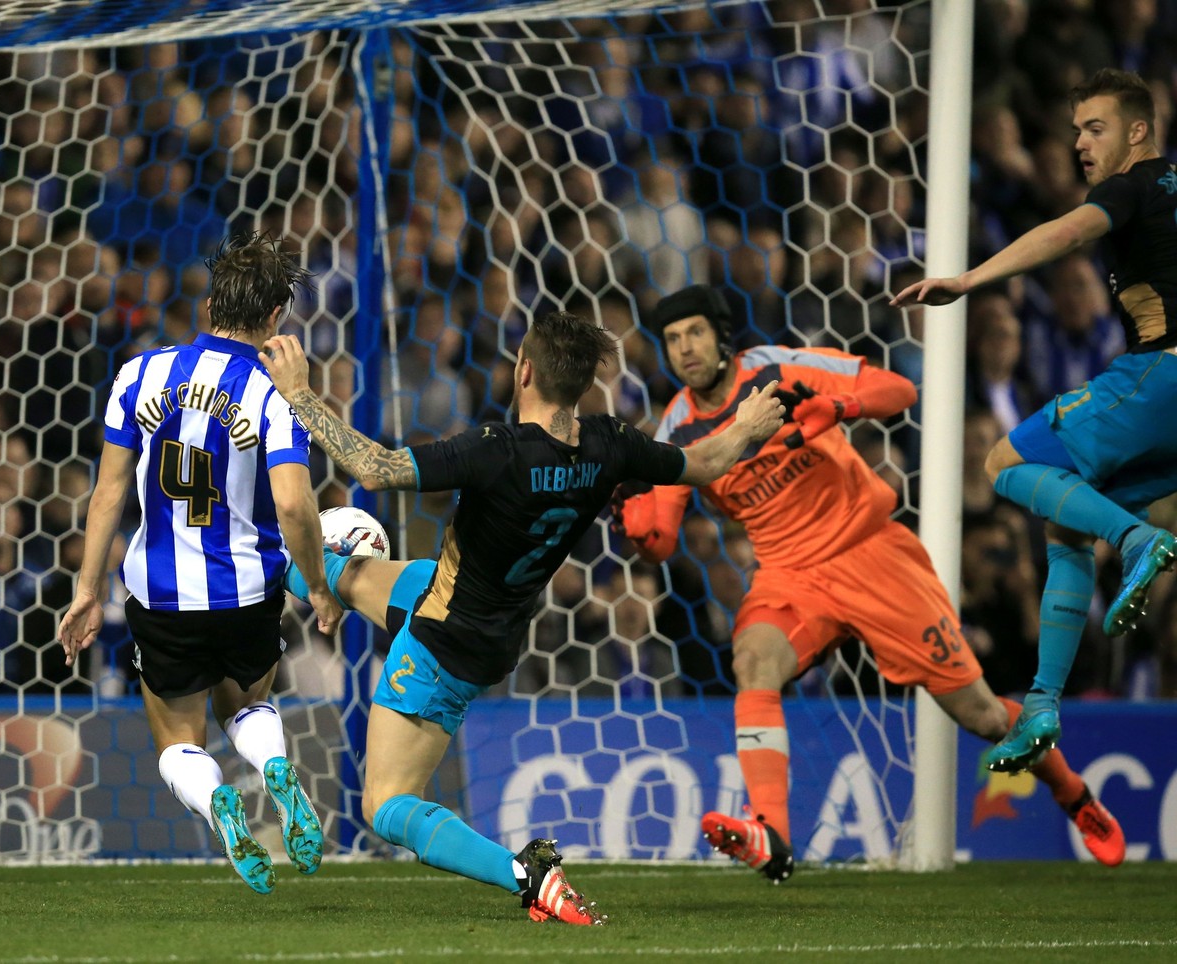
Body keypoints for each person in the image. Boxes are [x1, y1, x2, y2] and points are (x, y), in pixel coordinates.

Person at [260, 310, 786, 925]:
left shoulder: (497, 451)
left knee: (386, 803)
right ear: (584, 383)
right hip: (481, 616)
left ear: (525, 369)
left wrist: (298, 395)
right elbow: (702, 463)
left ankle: (527, 875)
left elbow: (374, 468)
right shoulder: (609, 443)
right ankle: (303, 587)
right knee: (333, 573)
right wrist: (747, 424)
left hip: (443, 642)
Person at [613, 285, 1125, 880]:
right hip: (788, 573)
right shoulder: (675, 428)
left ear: (722, 335)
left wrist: (839, 408)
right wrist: (634, 521)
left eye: (695, 332)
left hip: (871, 553)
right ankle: (772, 834)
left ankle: (1075, 796)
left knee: (982, 715)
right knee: (753, 661)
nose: (685, 349)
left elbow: (900, 389)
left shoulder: (779, 369)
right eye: (672, 340)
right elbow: (661, 541)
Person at [892, 68, 1177, 773]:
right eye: (1077, 129)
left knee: (1006, 464)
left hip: (1160, 374)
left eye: (1096, 128)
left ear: (1138, 131)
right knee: (1065, 520)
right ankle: (1042, 702)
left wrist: (967, 279)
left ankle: (1140, 540)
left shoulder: (1130, 184)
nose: (1081, 142)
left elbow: (1068, 232)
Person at [58, 232, 341, 895]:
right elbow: (297, 508)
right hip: (246, 593)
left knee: (178, 740)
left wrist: (86, 590)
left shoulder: (141, 373)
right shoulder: (276, 395)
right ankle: (273, 766)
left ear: (209, 304)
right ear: (275, 318)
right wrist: (320, 588)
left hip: (159, 598)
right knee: (247, 705)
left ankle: (219, 805)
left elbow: (106, 495)